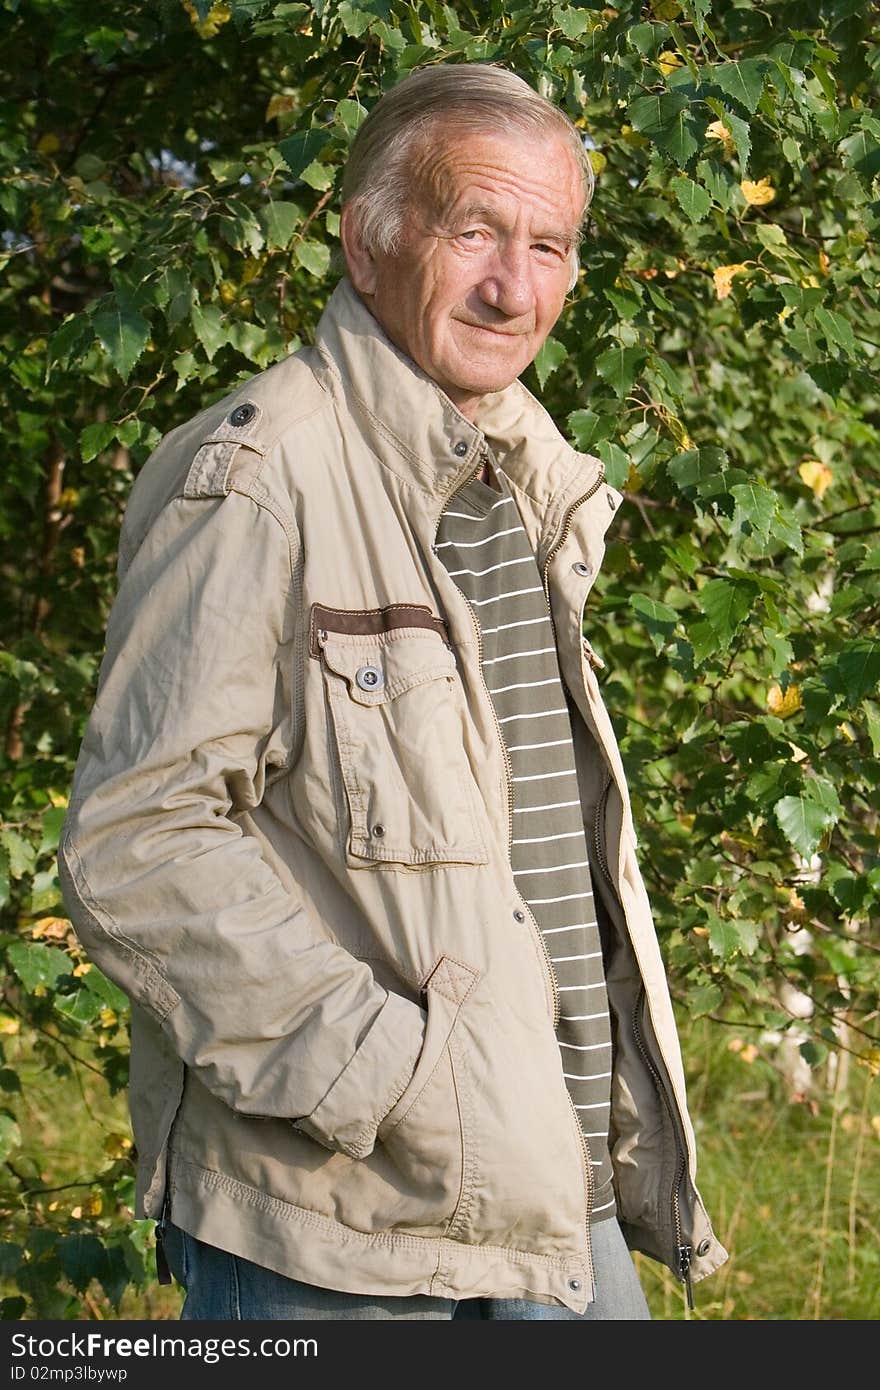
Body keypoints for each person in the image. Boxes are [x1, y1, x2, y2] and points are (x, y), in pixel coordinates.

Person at [59, 63, 726, 1321]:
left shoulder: (529, 480)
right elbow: (138, 843)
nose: (512, 286)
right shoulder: (256, 474)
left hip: (550, 1188)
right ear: (368, 246)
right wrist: (387, 1078)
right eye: (473, 231)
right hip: (345, 1232)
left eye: (549, 245)